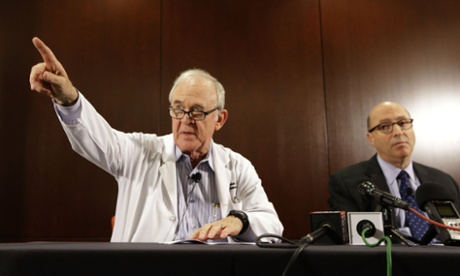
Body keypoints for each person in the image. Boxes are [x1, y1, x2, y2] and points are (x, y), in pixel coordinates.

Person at [29, 37, 283, 243]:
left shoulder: (238, 167)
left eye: (197, 111)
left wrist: (239, 220)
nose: (185, 119)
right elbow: (99, 139)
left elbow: (272, 225)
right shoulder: (140, 152)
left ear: (219, 119)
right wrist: (68, 98)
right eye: (178, 109)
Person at [328, 101, 460, 242]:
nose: (398, 132)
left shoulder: (443, 181)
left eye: (403, 123)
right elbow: (353, 241)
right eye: (385, 126)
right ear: (371, 139)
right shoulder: (347, 182)